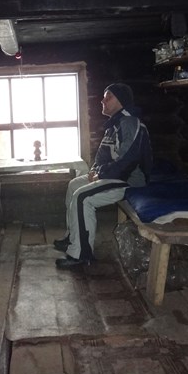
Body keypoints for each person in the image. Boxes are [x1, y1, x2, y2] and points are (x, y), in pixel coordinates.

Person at [55, 82, 153, 269]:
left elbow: (128, 160)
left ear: (121, 100)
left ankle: (81, 254)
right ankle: (73, 237)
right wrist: (95, 170)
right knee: (74, 185)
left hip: (128, 180)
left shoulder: (130, 123)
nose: (102, 101)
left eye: (108, 97)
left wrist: (100, 173)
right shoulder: (114, 125)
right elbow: (102, 156)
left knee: (82, 197)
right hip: (113, 175)